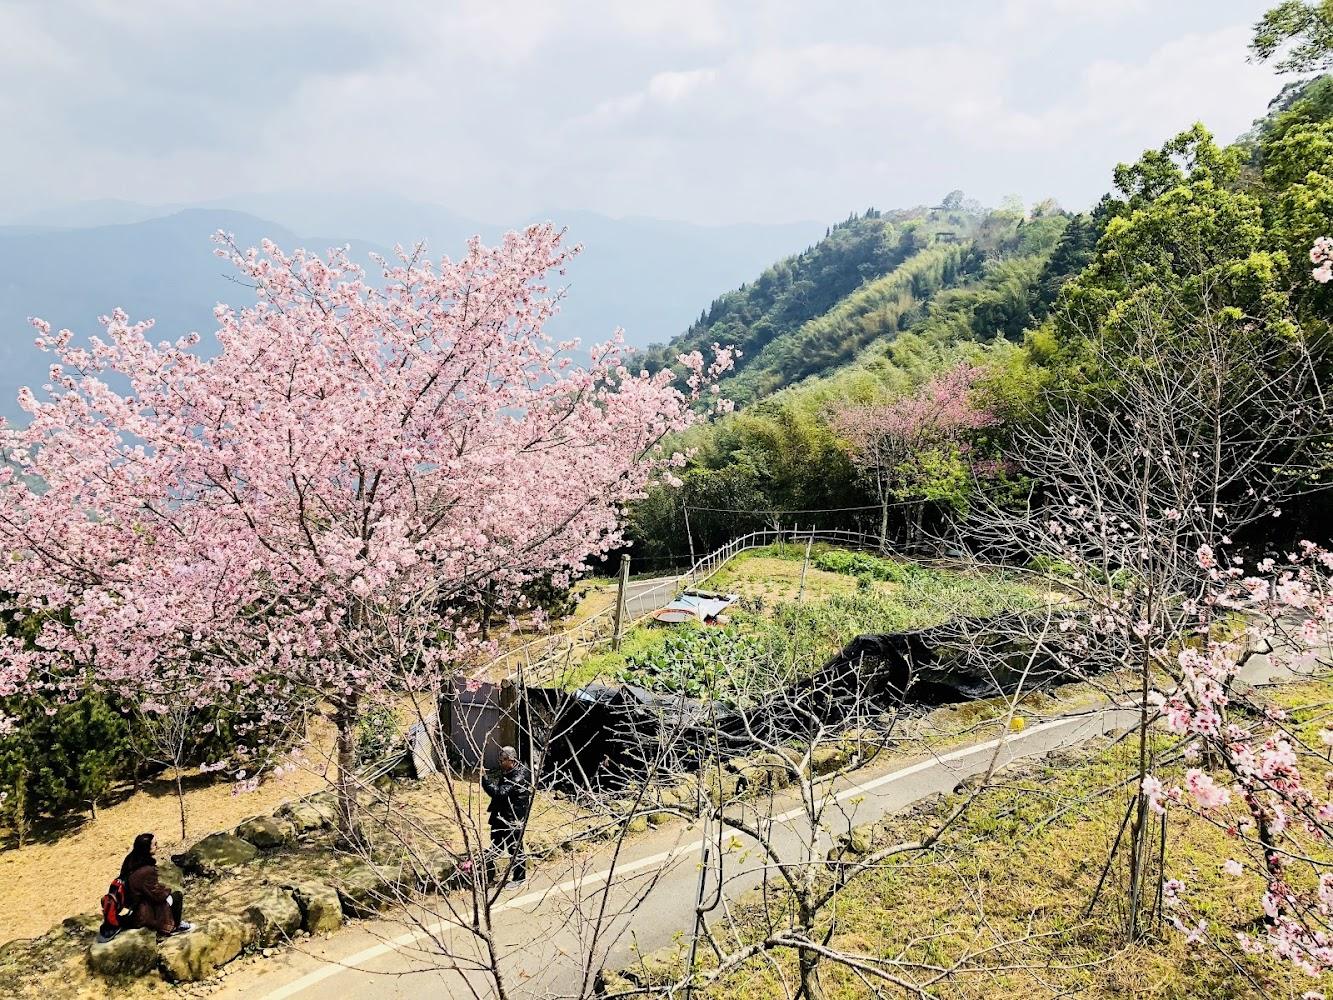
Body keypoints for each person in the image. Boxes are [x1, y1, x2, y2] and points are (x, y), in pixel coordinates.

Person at [120, 832, 191, 934]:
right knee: (176, 896)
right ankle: (175, 926)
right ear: (146, 848)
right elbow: (156, 895)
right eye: (154, 845)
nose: (157, 847)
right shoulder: (146, 870)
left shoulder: (130, 860)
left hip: (132, 904)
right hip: (142, 911)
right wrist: (166, 891)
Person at [481, 746, 532, 886]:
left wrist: (485, 780)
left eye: (503, 760)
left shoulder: (518, 776)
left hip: (513, 818)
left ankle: (519, 878)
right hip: (501, 815)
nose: (500, 763)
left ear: (511, 760)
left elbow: (499, 793)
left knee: (514, 848)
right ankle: (486, 875)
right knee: (496, 845)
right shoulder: (509, 771)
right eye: (500, 760)